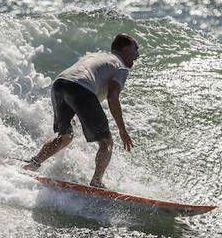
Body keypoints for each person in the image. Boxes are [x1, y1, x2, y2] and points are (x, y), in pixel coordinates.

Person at [23, 33, 139, 188]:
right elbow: (112, 97)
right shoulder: (120, 67)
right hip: (80, 89)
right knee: (106, 143)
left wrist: (73, 107)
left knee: (65, 136)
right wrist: (122, 130)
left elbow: (80, 77)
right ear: (125, 50)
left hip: (59, 85)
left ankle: (33, 163)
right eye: (135, 49)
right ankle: (96, 181)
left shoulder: (96, 56)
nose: (137, 54)